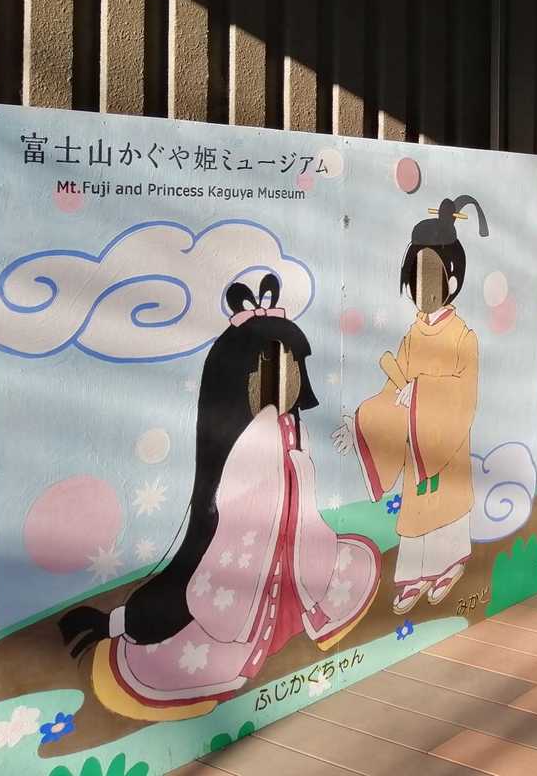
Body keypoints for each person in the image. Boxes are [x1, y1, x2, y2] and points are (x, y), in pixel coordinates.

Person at [58, 274, 380, 722]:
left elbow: (300, 498)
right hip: (246, 570)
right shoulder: (247, 440)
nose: (285, 379)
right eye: (270, 367)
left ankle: (292, 610)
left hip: (294, 557)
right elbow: (240, 518)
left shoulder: (290, 426)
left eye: (290, 364)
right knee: (220, 630)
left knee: (338, 568)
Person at [337, 195, 486, 615]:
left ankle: (449, 564)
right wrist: (364, 422)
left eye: (432, 276)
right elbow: (393, 386)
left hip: (444, 443)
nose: (424, 288)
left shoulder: (463, 337)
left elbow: (464, 394)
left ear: (451, 278)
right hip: (414, 441)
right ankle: (414, 575)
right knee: (416, 511)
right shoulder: (411, 335)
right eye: (416, 277)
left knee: (447, 503)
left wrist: (421, 392)